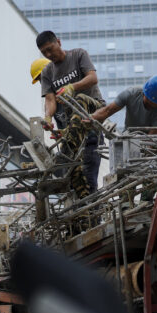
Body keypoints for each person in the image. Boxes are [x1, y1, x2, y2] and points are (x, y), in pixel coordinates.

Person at [36, 30, 104, 195]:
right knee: (75, 180)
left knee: (79, 99)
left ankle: (70, 144)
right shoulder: (47, 73)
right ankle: (82, 214)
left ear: (58, 42)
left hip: (92, 114)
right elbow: (50, 100)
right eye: (44, 52)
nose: (49, 54)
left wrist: (72, 87)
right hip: (74, 127)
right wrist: (48, 117)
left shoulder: (78, 55)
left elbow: (92, 78)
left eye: (50, 49)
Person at [90, 75, 157, 131]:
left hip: (151, 143)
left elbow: (154, 136)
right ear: (149, 97)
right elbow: (107, 111)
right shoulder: (131, 94)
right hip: (130, 136)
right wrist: (91, 118)